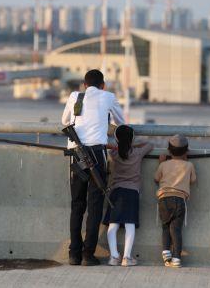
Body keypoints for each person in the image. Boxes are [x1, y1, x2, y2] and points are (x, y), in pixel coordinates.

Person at [61, 69, 125, 266]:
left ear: (84, 85)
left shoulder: (75, 96)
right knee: (95, 206)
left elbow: (64, 122)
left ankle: (74, 254)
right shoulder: (108, 97)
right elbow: (121, 123)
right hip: (97, 154)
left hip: (77, 155)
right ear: (103, 85)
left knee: (77, 204)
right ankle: (88, 255)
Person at [102, 125, 154, 266]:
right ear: (132, 138)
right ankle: (126, 257)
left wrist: (119, 145)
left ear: (117, 139)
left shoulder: (114, 154)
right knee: (129, 224)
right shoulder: (137, 153)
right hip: (132, 192)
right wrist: (133, 143)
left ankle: (113, 256)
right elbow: (150, 144)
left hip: (116, 191)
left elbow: (105, 145)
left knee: (113, 225)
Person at [154, 134, 197, 268]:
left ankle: (166, 252)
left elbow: (156, 178)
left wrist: (161, 163)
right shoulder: (189, 165)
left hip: (164, 199)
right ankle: (177, 258)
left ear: (169, 150)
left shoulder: (164, 164)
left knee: (165, 226)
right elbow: (193, 180)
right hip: (179, 200)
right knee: (176, 229)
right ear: (186, 151)